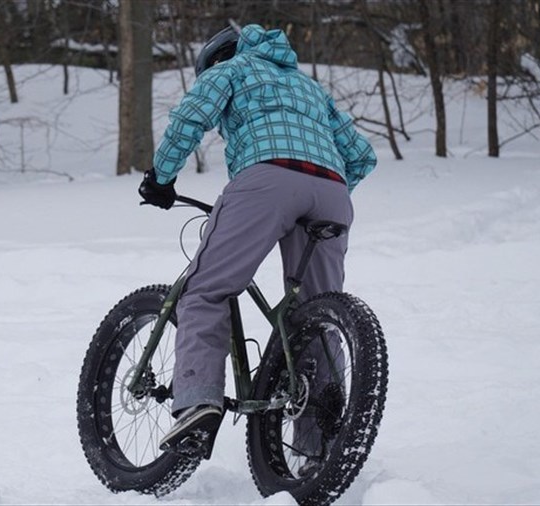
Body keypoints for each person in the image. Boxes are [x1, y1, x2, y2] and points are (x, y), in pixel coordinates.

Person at [138, 24, 377, 461]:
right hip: (332, 194)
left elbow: (191, 116)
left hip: (266, 181)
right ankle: (319, 445)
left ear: (215, 59)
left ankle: (196, 402)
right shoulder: (309, 87)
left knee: (206, 290)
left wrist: (161, 178)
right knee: (317, 317)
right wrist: (319, 190)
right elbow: (362, 156)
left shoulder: (232, 70)